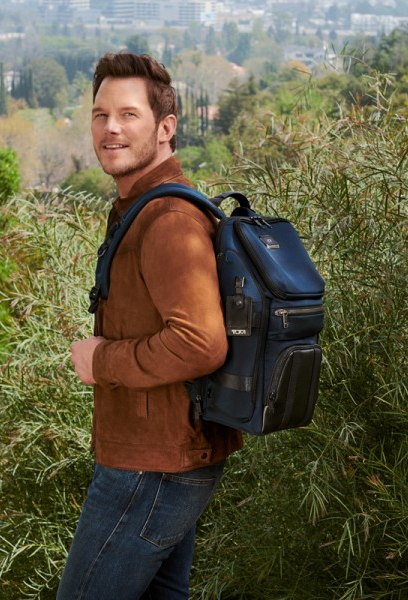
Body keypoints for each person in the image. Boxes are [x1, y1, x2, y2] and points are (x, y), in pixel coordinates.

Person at [61, 52, 242, 600]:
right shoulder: (141, 208)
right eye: (100, 115)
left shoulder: (169, 222)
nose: (110, 128)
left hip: (152, 466)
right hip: (159, 455)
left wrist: (101, 360)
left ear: (166, 128)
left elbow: (200, 343)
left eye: (128, 115)